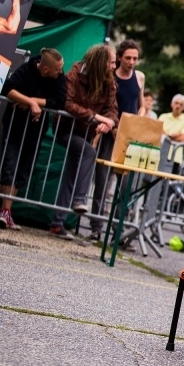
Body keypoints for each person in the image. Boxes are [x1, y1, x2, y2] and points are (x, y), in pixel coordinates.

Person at [49, 45, 118, 240]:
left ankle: (57, 223)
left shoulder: (109, 81)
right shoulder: (75, 73)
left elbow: (112, 108)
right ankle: (80, 199)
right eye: (111, 62)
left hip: (84, 132)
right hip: (65, 129)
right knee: (88, 152)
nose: (114, 66)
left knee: (71, 174)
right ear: (100, 62)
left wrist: (109, 122)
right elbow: (68, 104)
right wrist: (96, 117)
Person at [0, 48, 66, 230]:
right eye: (57, 69)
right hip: (14, 125)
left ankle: (7, 211)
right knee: (10, 164)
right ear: (46, 69)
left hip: (36, 130)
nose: (60, 72)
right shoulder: (27, 69)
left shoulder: (58, 77)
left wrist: (33, 101)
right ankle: (5, 211)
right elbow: (6, 87)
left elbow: (60, 100)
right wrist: (31, 102)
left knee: (24, 169)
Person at [89, 39, 146, 241]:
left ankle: (117, 230)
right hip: (109, 134)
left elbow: (141, 105)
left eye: (135, 58)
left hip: (128, 136)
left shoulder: (139, 77)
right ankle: (96, 225)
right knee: (102, 183)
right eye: (128, 58)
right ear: (120, 57)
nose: (131, 62)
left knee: (125, 187)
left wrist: (140, 116)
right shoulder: (110, 76)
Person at [158, 94, 184, 173]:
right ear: (171, 104)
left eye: (181, 104)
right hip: (160, 154)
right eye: (176, 103)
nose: (178, 106)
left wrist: (165, 135)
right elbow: (157, 132)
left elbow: (183, 138)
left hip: (175, 157)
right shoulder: (163, 116)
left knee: (169, 183)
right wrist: (173, 136)